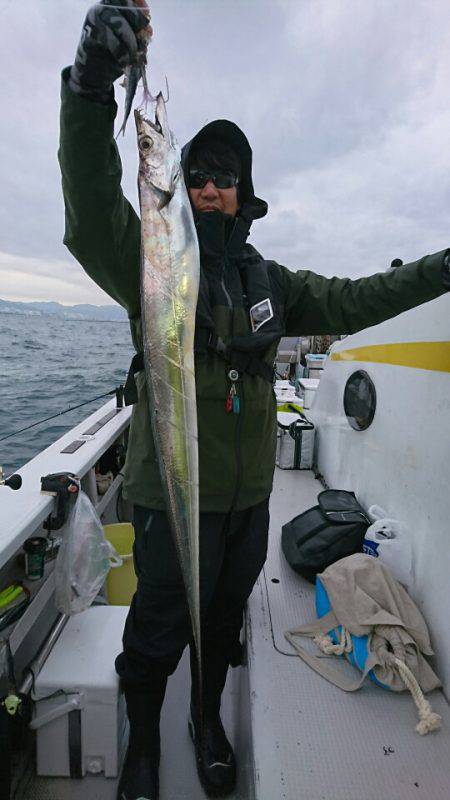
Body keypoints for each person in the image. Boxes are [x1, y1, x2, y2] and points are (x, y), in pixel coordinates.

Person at [59, 3, 450, 798]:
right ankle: (143, 745)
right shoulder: (150, 261)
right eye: (195, 176)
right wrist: (92, 86)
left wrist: (441, 268)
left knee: (223, 617)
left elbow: (356, 297)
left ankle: (208, 720)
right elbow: (90, 200)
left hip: (245, 502)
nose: (206, 189)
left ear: (244, 191)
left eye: (223, 179)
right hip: (169, 499)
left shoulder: (274, 284)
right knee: (159, 625)